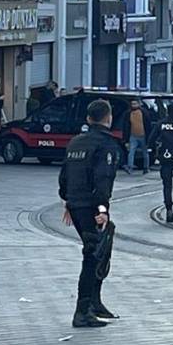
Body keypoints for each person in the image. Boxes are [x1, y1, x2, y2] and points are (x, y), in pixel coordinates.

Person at [58, 99, 121, 328]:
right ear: (108, 118)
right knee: (93, 253)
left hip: (75, 205)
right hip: (92, 207)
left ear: (88, 118)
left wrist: (67, 200)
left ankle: (94, 303)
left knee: (98, 251)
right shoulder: (106, 145)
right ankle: (83, 310)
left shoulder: (76, 142)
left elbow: (65, 175)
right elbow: (103, 180)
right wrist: (102, 210)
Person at [120, 98, 150, 174]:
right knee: (131, 152)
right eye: (132, 104)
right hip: (133, 136)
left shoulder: (144, 112)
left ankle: (146, 167)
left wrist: (148, 137)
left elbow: (148, 124)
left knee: (145, 153)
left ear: (139, 104)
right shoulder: (128, 113)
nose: (133, 105)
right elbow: (126, 126)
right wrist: (125, 139)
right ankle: (130, 167)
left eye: (135, 104)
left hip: (143, 135)